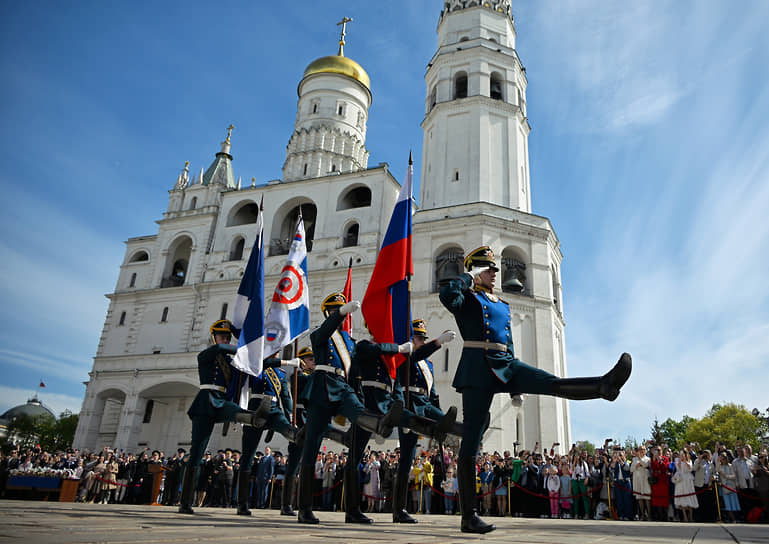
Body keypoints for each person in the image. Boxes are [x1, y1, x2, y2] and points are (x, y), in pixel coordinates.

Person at [439, 246, 632, 533]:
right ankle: (469, 516)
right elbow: (447, 296)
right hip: (477, 368)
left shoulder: (502, 304)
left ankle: (602, 386)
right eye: (487, 269)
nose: (494, 273)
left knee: (549, 382)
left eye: (494, 269)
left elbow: (508, 339)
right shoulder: (466, 296)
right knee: (470, 443)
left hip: (506, 363)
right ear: (476, 271)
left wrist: (516, 387)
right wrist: (468, 276)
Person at [295, 293, 404, 525]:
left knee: (360, 413)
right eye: (336, 310)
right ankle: (304, 509)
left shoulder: (349, 341)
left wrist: (396, 349)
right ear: (329, 313)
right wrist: (341, 313)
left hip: (344, 387)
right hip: (322, 387)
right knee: (312, 447)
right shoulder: (320, 333)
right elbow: (323, 333)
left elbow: (356, 370)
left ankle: (352, 510)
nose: (342, 315)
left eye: (342, 310)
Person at [178, 319, 270, 514]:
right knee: (197, 452)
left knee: (234, 410)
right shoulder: (207, 354)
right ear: (214, 337)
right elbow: (220, 348)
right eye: (222, 336)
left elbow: (247, 373)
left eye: (228, 336)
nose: (225, 339)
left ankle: (252, 418)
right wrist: (242, 346)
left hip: (222, 400)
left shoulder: (232, 360)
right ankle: (185, 501)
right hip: (206, 400)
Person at [392, 319, 459, 523]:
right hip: (410, 406)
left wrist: (438, 411)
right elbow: (417, 354)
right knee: (406, 460)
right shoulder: (406, 355)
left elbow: (433, 392)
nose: (421, 340)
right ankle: (398, 509)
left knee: (448, 421)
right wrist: (438, 342)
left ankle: (465, 427)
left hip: (426, 404)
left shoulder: (427, 364)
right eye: (418, 337)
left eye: (423, 338)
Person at [236, 356, 299, 515]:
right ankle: (242, 503)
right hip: (255, 408)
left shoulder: (282, 374)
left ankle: (286, 505)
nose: (277, 353)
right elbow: (263, 364)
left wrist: (291, 417)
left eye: (278, 351)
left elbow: (285, 397)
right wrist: (287, 362)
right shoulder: (257, 364)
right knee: (248, 454)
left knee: (292, 434)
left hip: (273, 409)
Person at [673, 449, 698, 522]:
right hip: (681, 480)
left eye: (683, 454)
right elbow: (678, 468)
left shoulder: (689, 460)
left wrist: (685, 461)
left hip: (688, 480)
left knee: (689, 497)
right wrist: (680, 460)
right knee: (682, 498)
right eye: (680, 454)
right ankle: (685, 517)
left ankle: (690, 516)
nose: (681, 455)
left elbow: (690, 469)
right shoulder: (677, 460)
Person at [631, 445, 652, 520]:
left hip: (645, 478)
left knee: (647, 497)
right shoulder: (634, 459)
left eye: (643, 449)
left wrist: (640, 460)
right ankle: (642, 514)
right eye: (640, 449)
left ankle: (649, 514)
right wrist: (637, 465)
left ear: (645, 451)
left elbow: (645, 464)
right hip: (637, 479)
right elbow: (631, 469)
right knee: (639, 497)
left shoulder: (648, 458)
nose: (641, 451)